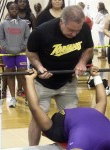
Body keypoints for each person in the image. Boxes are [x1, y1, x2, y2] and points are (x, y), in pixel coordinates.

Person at [27, 5, 94, 145]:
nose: (75, 34)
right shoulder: (42, 31)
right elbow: (31, 53)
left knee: (72, 118)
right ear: (61, 21)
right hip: (43, 83)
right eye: (71, 30)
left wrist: (82, 62)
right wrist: (39, 67)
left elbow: (88, 48)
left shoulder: (84, 29)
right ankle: (32, 148)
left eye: (78, 30)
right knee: (38, 117)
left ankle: (70, 146)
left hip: (67, 82)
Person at [25, 66, 110, 150]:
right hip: (106, 131)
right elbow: (102, 100)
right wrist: (96, 77)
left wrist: (29, 80)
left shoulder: (51, 128)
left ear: (43, 134)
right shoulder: (95, 115)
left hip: (90, 134)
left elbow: (35, 107)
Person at [0, 1, 30, 107]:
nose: (14, 10)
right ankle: (12, 98)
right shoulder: (3, 24)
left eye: (16, 8)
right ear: (8, 9)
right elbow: (0, 38)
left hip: (21, 52)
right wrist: (7, 48)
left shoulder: (24, 23)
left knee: (23, 74)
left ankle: (28, 97)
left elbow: (27, 37)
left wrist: (21, 47)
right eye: (12, 8)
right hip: (7, 53)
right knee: (10, 73)